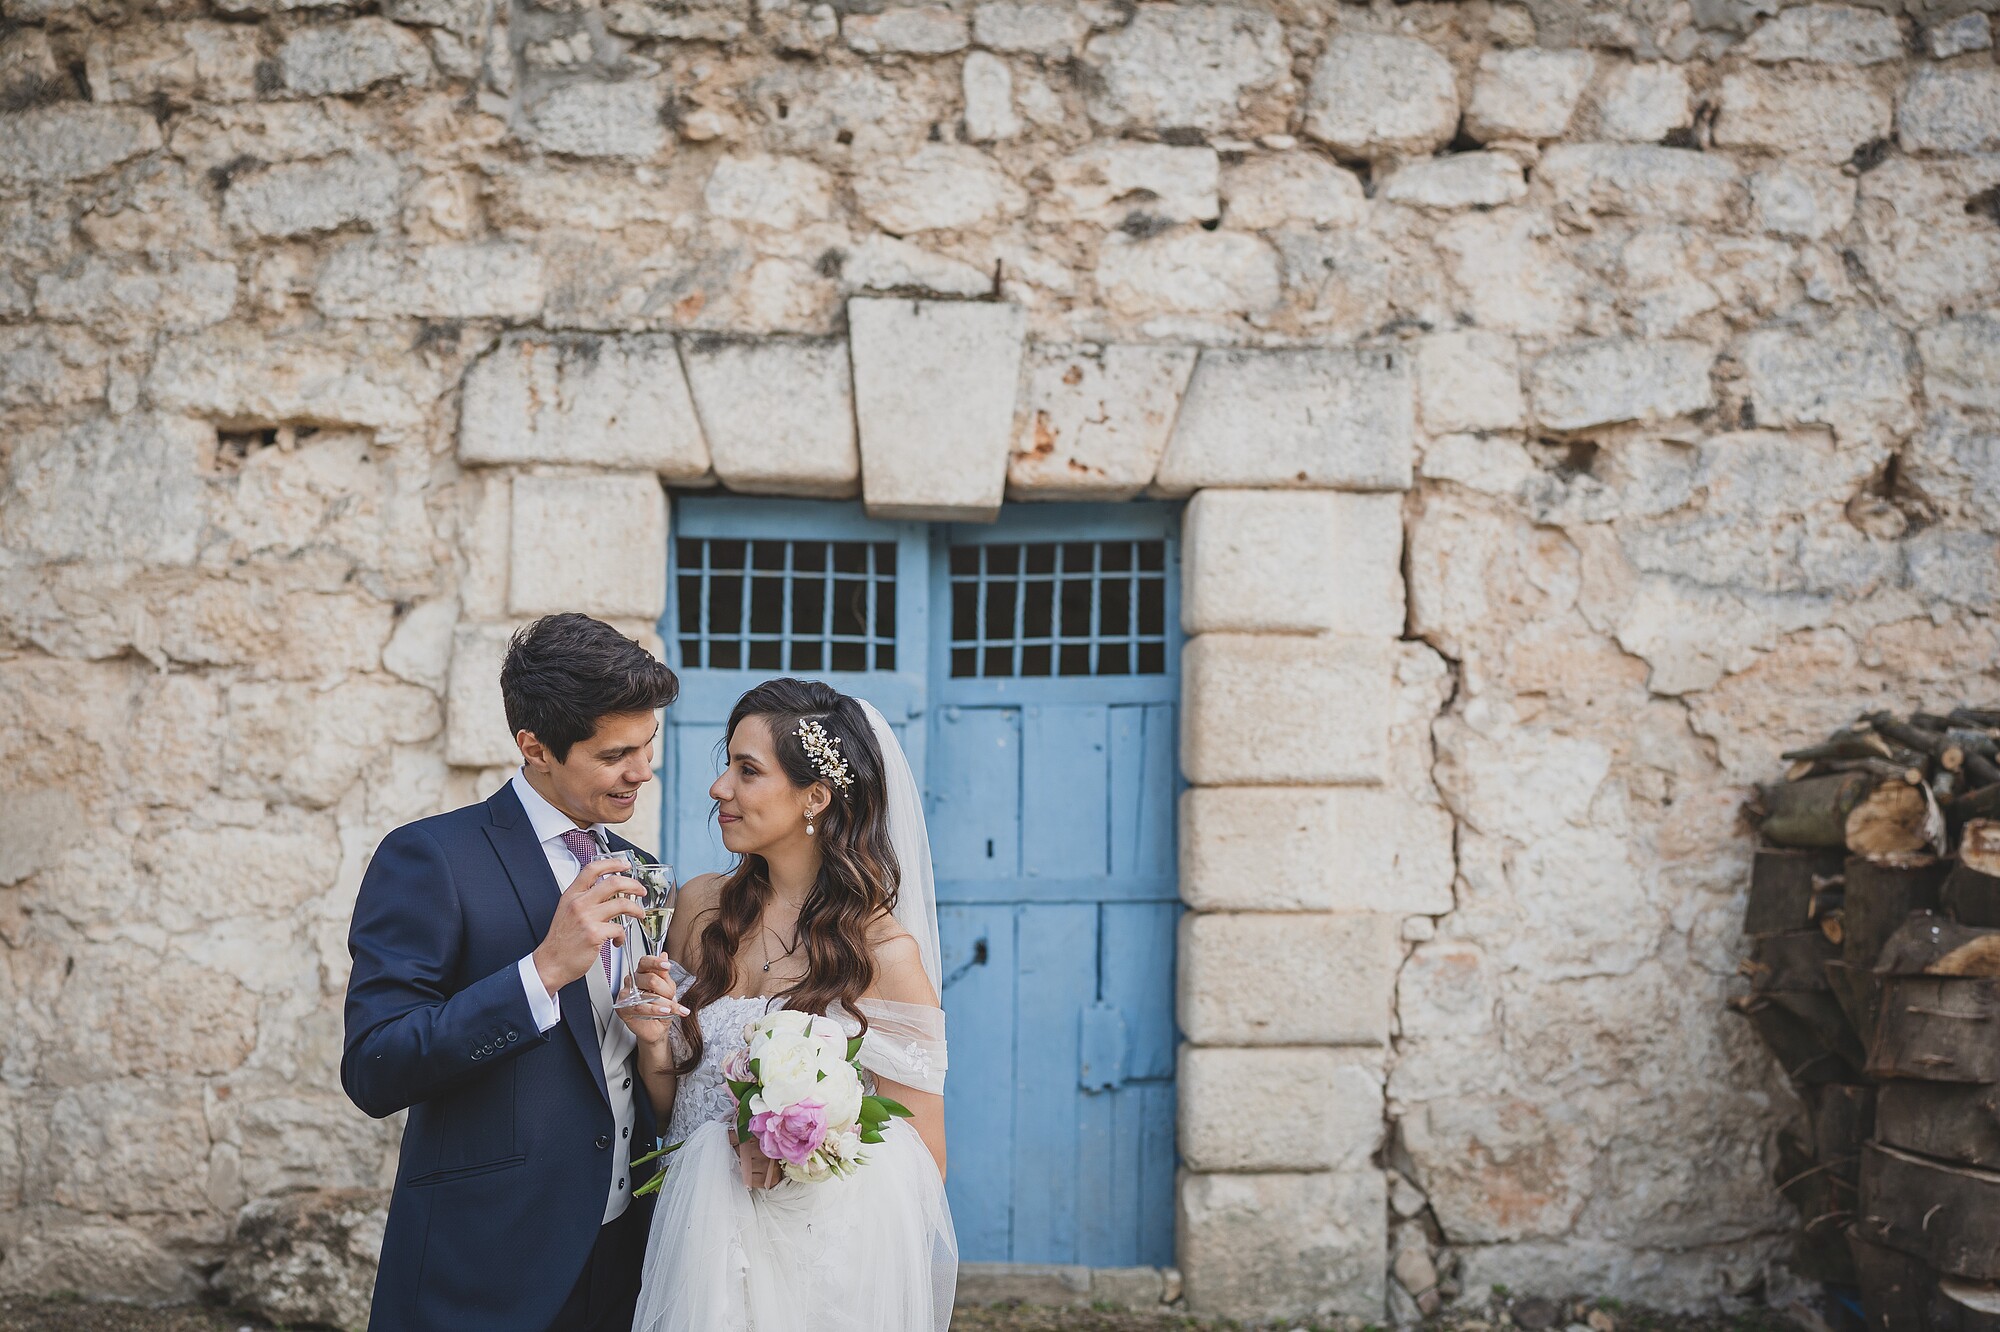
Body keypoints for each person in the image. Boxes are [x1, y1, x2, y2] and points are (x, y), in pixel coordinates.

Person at [341, 613, 684, 1332]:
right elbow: (376, 1068)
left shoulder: (641, 868)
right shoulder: (432, 858)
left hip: (629, 1255)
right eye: (616, 753)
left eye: (648, 746)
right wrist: (542, 972)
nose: (642, 771)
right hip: (487, 1262)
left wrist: (654, 1038)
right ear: (536, 748)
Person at [619, 678, 956, 1332]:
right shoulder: (700, 909)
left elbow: (924, 1160)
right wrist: (653, 1040)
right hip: (695, 1250)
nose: (720, 788)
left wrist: (807, 1140)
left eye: (747, 771)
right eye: (727, 766)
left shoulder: (883, 955)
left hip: (816, 1266)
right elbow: (675, 1110)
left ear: (815, 797)